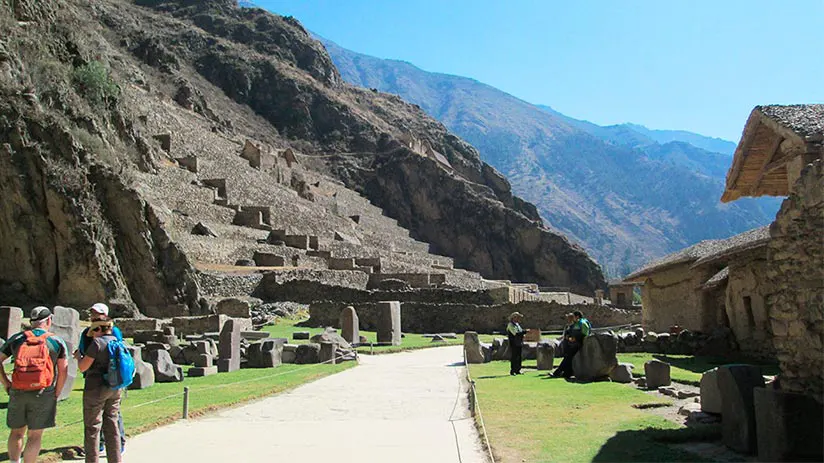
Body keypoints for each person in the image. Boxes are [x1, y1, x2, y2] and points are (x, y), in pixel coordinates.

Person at [0, 307, 69, 463]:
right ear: (48, 321)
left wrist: (6, 383)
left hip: (18, 390)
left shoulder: (17, 339)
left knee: (16, 433)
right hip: (43, 392)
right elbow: (63, 371)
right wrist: (56, 393)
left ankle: (14, 461)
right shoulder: (56, 341)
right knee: (35, 435)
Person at [78, 304, 125, 456]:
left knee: (92, 428)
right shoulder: (114, 340)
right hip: (114, 386)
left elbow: (83, 367)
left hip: (96, 387)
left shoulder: (97, 343)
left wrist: (78, 357)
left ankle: (93, 456)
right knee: (112, 425)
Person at [552, 310, 591, 378]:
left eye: (573, 317)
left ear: (577, 316)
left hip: (578, 344)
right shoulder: (576, 323)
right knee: (570, 358)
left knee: (568, 357)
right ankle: (567, 373)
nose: (573, 318)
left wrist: (575, 338)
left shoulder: (582, 323)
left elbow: (585, 334)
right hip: (573, 343)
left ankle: (557, 372)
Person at [507, 312, 526, 376]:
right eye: (517, 317)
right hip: (513, 343)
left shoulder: (517, 324)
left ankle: (518, 370)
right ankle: (513, 371)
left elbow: (520, 331)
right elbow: (515, 333)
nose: (518, 319)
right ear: (513, 318)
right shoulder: (510, 325)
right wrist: (524, 332)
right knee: (514, 357)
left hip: (519, 343)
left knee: (519, 357)